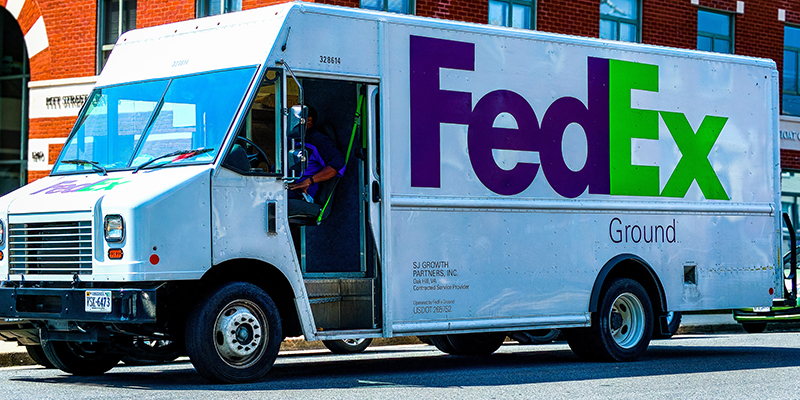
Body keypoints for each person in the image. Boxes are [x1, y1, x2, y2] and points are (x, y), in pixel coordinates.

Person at [288, 105, 345, 203]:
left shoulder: (317, 140)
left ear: (308, 121)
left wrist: (309, 181)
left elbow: (337, 165)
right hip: (283, 186)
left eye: (293, 119)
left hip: (300, 193)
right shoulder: (290, 139)